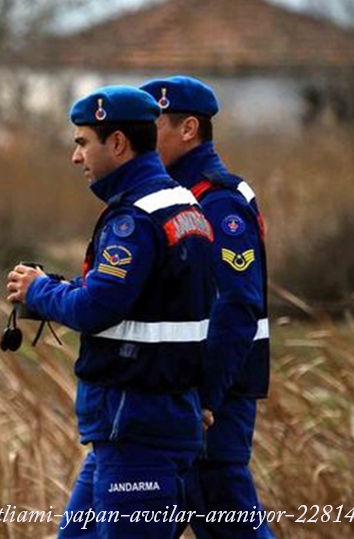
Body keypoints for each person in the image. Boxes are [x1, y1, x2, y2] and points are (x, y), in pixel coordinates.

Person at [6, 85, 215, 538]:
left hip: (137, 430)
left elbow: (98, 307)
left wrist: (39, 292)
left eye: (82, 141)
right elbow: (156, 302)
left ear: (117, 143)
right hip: (146, 423)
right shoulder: (183, 205)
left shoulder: (134, 220)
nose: (75, 156)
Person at [140, 76, 272, 538]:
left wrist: (203, 398)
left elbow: (238, 305)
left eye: (150, 127)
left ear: (188, 128)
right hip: (188, 399)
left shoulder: (217, 203)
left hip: (215, 400)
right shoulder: (172, 198)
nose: (140, 140)